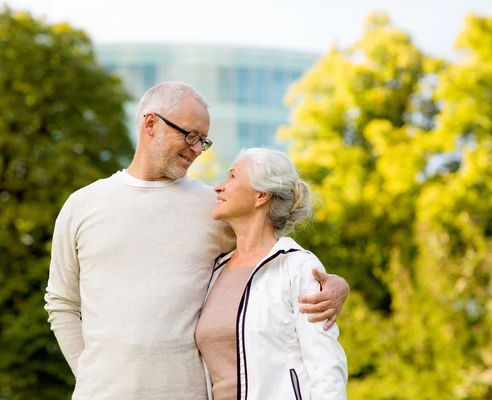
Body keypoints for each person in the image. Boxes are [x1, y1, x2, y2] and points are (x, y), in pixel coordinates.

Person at [44, 82, 349, 399]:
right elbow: (61, 304)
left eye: (203, 141)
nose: (196, 148)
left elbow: (270, 256)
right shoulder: (82, 205)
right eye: (189, 135)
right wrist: (93, 377)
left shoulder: (213, 209)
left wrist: (336, 285)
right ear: (150, 123)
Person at [196, 148, 347, 400]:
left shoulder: (297, 267)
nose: (218, 187)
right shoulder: (215, 270)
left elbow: (326, 367)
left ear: (261, 195)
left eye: (232, 176)